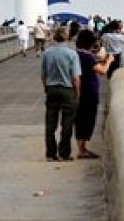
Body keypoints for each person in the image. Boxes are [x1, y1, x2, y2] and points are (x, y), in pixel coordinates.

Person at [41, 26, 81, 162]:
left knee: (50, 124)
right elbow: (76, 77)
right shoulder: (72, 54)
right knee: (67, 124)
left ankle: (50, 154)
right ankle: (64, 153)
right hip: (68, 90)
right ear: (67, 37)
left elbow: (43, 75)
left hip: (51, 89)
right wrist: (77, 93)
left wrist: (46, 88)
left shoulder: (47, 53)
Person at [74, 29, 112, 159]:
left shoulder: (76, 54)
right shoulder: (87, 57)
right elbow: (102, 71)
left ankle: (81, 147)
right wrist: (109, 61)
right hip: (89, 91)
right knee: (88, 118)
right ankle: (82, 149)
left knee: (81, 118)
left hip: (79, 90)